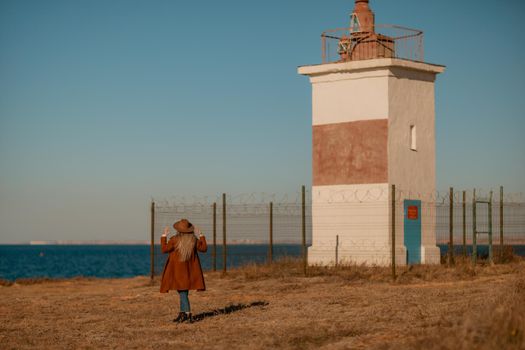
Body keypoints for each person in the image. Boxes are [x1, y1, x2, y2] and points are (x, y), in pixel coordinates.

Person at [160, 218, 207, 323]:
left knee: (182, 292)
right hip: (189, 272)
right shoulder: (193, 240)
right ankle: (182, 313)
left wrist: (164, 236)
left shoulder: (174, 240)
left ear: (178, 230)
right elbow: (204, 248)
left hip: (177, 271)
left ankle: (187, 313)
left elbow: (164, 249)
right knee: (182, 291)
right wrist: (201, 235)